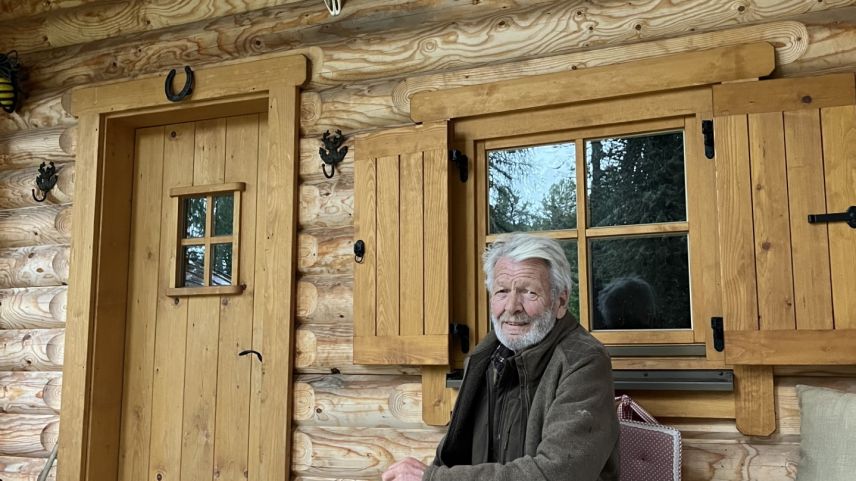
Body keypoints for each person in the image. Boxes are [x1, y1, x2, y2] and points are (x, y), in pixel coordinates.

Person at [382, 233, 620, 481]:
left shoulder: (584, 360)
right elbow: (452, 456)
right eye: (502, 291)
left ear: (560, 301)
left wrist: (433, 479)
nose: (512, 306)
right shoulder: (486, 356)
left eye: (529, 293)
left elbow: (558, 474)